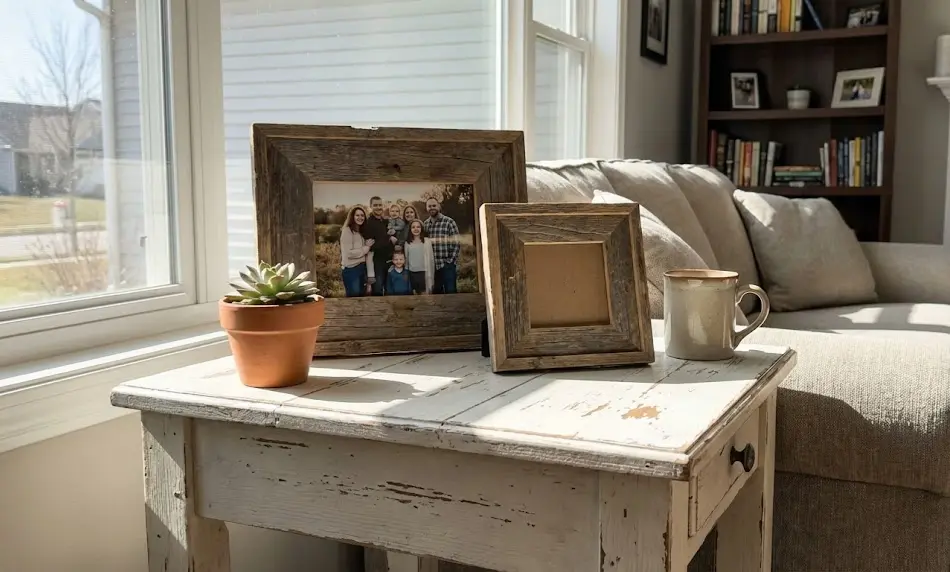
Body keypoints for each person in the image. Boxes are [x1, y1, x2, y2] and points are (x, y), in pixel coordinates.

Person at [422, 197, 460, 294]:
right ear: (426, 208)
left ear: (438, 206)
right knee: (436, 294)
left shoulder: (449, 222)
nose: (432, 208)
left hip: (446, 265)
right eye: (429, 206)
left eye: (434, 205)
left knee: (451, 293)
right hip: (432, 266)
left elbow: (456, 243)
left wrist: (450, 261)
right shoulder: (425, 224)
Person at [338, 205, 375, 297]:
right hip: (351, 270)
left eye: (362, 215)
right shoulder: (347, 231)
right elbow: (349, 253)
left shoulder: (361, 231)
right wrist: (366, 248)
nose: (360, 218)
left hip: (361, 268)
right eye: (357, 215)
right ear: (352, 217)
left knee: (361, 298)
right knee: (354, 298)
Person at [361, 195, 392, 295]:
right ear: (370, 206)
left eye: (380, 205)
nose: (378, 207)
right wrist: (388, 238)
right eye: (375, 205)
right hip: (376, 263)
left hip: (389, 261)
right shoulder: (368, 224)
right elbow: (371, 246)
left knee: (389, 290)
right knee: (378, 290)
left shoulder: (384, 221)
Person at [403, 219, 434, 294]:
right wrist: (406, 273)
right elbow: (406, 260)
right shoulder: (407, 243)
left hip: (424, 272)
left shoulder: (427, 241)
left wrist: (430, 276)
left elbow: (431, 259)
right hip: (412, 273)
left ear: (422, 228)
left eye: (418, 227)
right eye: (413, 227)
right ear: (410, 229)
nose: (416, 229)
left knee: (424, 295)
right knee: (414, 295)